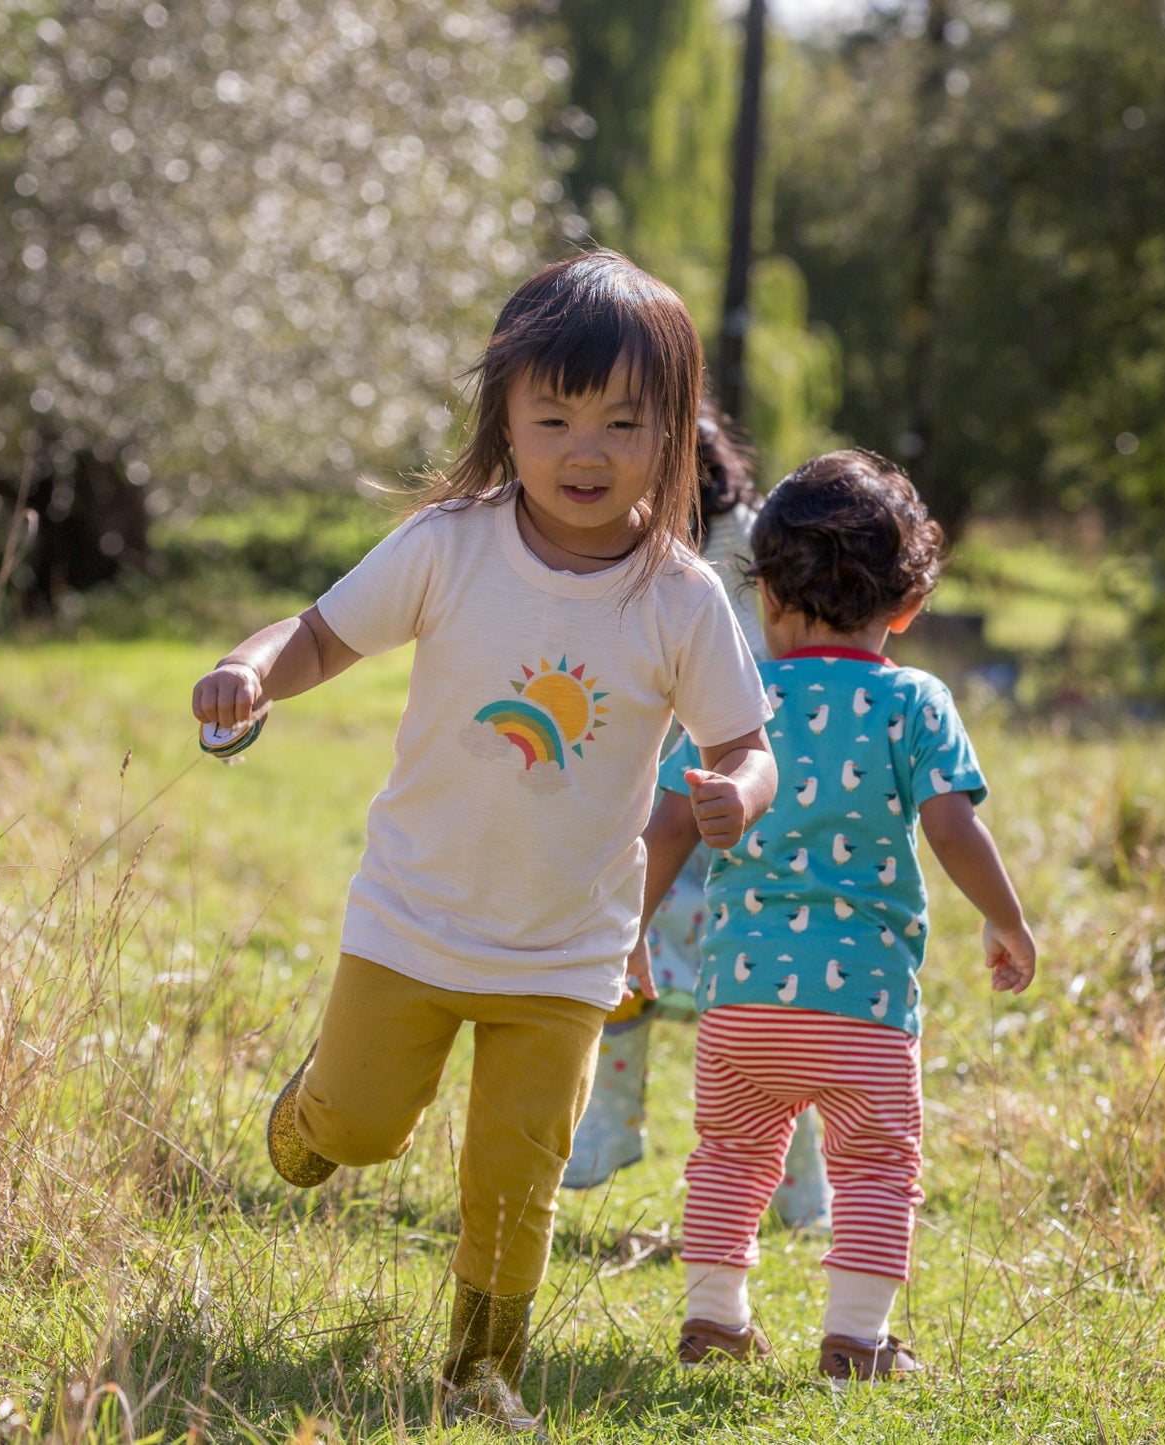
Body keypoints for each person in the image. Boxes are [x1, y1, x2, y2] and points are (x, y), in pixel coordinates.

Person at [190, 250, 777, 1434]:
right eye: (553, 416)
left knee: (515, 1186)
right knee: (358, 1129)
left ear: (673, 435)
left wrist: (736, 793)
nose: (586, 449)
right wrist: (253, 669)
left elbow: (744, 741)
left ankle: (477, 1371)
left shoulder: (678, 598)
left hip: (565, 950)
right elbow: (316, 633)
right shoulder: (449, 545)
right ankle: (309, 1110)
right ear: (503, 416)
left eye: (624, 421)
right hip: (412, 915)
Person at [633, 450, 1036, 1382]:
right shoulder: (913, 701)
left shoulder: (733, 702)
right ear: (906, 608)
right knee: (874, 1167)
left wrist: (631, 937)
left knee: (730, 1155)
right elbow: (951, 825)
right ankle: (855, 1339)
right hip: (864, 1006)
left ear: (764, 597)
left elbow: (665, 827)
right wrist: (1006, 920)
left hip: (739, 998)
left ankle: (712, 1317)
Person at [563, 396, 833, 1230]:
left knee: (747, 1005)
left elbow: (764, 663)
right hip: (669, 798)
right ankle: (608, 1129)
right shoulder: (629, 550)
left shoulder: (747, 544)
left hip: (730, 791)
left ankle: (792, 1186)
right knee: (644, 967)